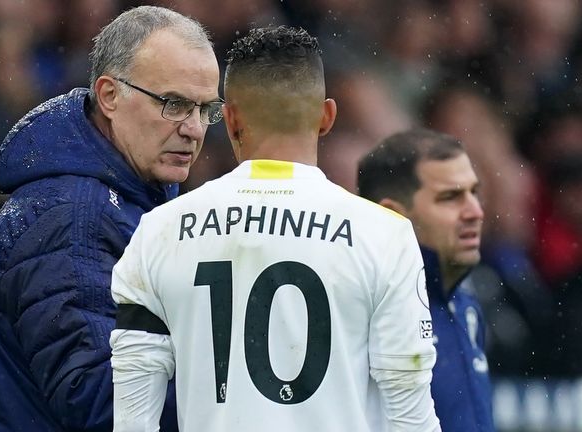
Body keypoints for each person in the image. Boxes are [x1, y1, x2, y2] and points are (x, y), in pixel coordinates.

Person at [110, 26, 440, 432]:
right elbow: (410, 413)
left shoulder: (157, 233)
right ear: (327, 117)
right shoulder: (386, 236)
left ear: (229, 119)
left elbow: (131, 420)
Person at [0, 5, 221, 431]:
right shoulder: (70, 218)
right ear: (110, 96)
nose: (193, 128)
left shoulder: (131, 194)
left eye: (206, 109)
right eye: (173, 104)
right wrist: (236, 377)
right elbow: (102, 402)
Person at [357, 128, 495, 431]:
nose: (475, 211)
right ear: (392, 216)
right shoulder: (363, 312)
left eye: (474, 192)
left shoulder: (466, 303)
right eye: (450, 197)